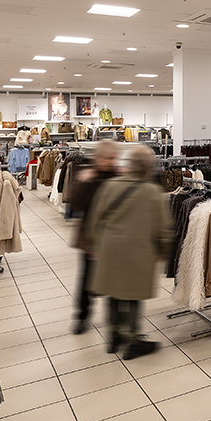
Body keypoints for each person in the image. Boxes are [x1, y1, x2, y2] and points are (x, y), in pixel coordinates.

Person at [84, 145, 173, 359]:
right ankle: (133, 339)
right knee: (133, 295)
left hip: (110, 250)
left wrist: (95, 245)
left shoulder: (110, 185)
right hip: (138, 252)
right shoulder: (152, 191)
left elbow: (95, 219)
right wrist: (163, 248)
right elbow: (162, 227)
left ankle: (114, 336)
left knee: (114, 292)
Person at [68, 139, 119, 334]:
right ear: (98, 158)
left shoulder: (117, 175)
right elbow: (75, 204)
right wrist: (82, 182)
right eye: (107, 158)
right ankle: (82, 316)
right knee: (87, 280)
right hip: (90, 237)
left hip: (112, 237)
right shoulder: (88, 176)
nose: (110, 161)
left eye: (113, 158)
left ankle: (114, 319)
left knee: (113, 278)